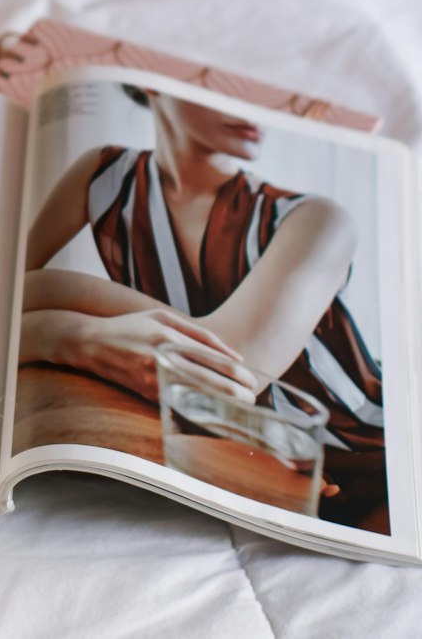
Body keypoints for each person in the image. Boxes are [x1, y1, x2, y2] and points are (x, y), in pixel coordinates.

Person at [20, 87, 387, 529]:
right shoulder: (104, 176)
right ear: (153, 84)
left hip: (364, 455)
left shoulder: (318, 219)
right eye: (220, 88)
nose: (251, 106)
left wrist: (52, 322)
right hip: (228, 456)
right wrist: (67, 335)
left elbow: (227, 374)